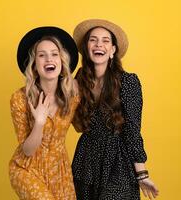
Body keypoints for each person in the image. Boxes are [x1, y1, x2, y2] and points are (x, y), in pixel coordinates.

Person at [71, 19, 159, 199]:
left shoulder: (128, 82)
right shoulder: (78, 80)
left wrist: (142, 174)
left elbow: (133, 130)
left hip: (117, 161)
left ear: (112, 50)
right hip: (86, 160)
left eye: (105, 40)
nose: (99, 44)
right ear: (86, 48)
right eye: (93, 40)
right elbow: (77, 124)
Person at [9, 26, 79, 200]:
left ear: (62, 62)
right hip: (27, 168)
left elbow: (84, 124)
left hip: (59, 171)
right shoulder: (20, 98)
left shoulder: (73, 96)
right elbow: (27, 150)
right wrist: (39, 123)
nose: (49, 59)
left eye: (55, 54)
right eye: (42, 55)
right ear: (34, 64)